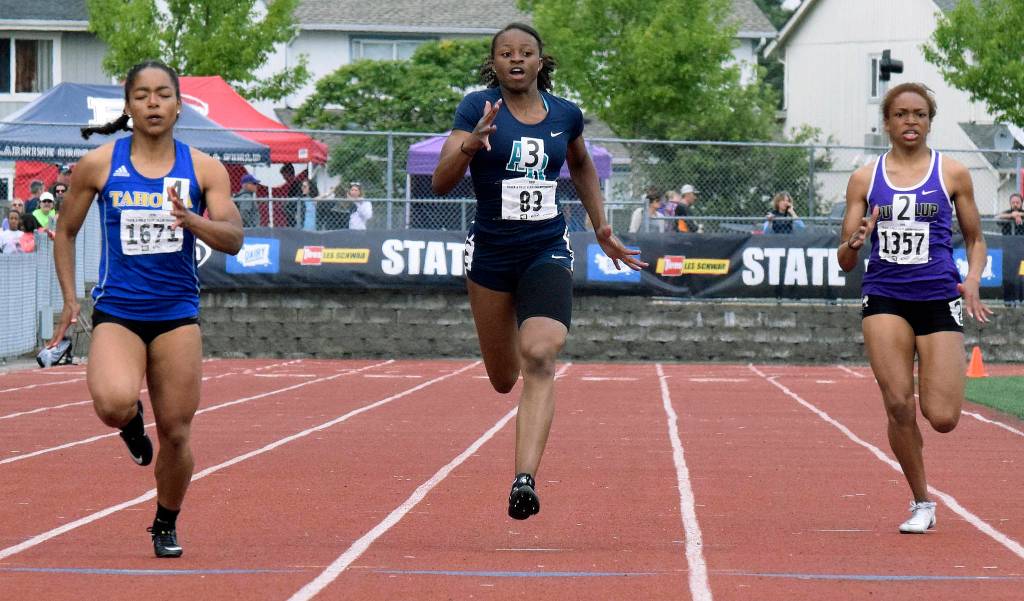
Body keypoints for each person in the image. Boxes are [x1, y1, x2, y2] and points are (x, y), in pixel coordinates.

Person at [432, 23, 644, 520]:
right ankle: (509, 345)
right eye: (506, 53)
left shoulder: (566, 114)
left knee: (541, 354)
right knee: (504, 379)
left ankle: (523, 480)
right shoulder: (476, 108)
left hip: (546, 246)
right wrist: (470, 144)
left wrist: (601, 224)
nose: (516, 59)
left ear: (540, 61)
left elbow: (582, 165)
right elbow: (441, 181)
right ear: (494, 63)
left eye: (525, 52)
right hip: (490, 253)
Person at [49, 60, 243, 558]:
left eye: (163, 94)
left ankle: (164, 522)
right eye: (142, 95)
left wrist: (192, 220)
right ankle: (132, 424)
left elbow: (234, 238)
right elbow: (64, 232)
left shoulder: (204, 168)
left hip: (176, 315)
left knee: (176, 433)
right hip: (119, 311)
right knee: (112, 403)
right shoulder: (100, 164)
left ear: (178, 106)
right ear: (129, 106)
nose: (153, 103)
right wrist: (70, 298)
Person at [839, 82, 991, 534]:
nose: (911, 121)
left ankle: (937, 377)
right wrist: (854, 243)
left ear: (929, 122)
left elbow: (975, 239)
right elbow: (845, 259)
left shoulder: (953, 173)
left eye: (919, 114)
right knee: (898, 404)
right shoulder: (865, 179)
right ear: (887, 122)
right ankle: (922, 501)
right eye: (902, 114)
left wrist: (972, 279)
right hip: (885, 295)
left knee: (942, 418)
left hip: (938, 296)